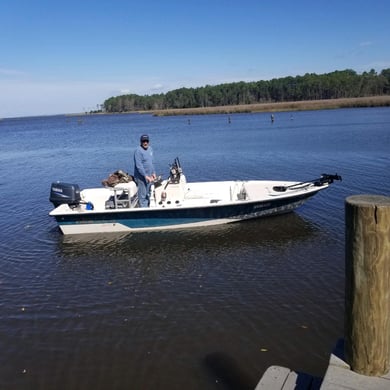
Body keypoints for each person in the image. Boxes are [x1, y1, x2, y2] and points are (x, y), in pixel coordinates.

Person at [133, 134, 156, 207]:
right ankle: (143, 209)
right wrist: (145, 176)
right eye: (143, 141)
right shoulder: (138, 151)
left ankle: (148, 206)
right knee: (143, 195)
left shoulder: (150, 149)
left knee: (148, 193)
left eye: (146, 141)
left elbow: (151, 162)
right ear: (141, 142)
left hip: (149, 176)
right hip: (141, 177)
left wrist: (153, 173)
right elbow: (139, 165)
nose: (145, 143)